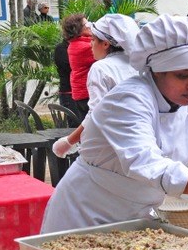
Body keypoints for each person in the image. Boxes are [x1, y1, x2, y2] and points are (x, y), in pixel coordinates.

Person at [41, 15, 188, 233]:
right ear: (157, 71)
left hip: (139, 215)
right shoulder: (128, 98)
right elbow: (147, 163)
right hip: (86, 213)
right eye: (182, 75)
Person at [52, 14, 141, 158]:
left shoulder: (101, 68)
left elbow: (96, 114)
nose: (91, 44)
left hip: (109, 145)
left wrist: (69, 141)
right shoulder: (135, 65)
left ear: (106, 44)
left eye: (93, 40)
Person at [63, 13, 95, 120]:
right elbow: (106, 52)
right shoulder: (83, 46)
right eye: (86, 24)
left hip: (81, 92)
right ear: (78, 29)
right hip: (86, 93)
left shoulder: (75, 44)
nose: (90, 26)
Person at [53, 38, 77, 114]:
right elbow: (69, 68)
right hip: (68, 93)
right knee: (73, 123)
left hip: (75, 92)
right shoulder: (61, 48)